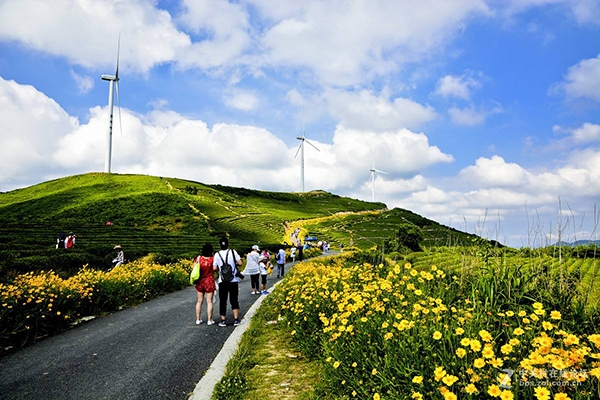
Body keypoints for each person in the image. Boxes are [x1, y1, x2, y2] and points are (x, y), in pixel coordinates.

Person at [213, 237, 243, 327]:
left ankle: (223, 320)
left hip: (222, 281)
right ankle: (236, 319)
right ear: (228, 244)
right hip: (233, 280)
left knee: (223, 300)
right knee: (234, 300)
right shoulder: (233, 252)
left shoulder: (217, 254)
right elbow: (240, 263)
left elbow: (214, 268)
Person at [193, 243, 217, 325]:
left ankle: (198, 319)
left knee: (199, 301)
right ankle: (209, 320)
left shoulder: (199, 258)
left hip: (200, 281)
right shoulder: (212, 259)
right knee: (209, 301)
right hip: (209, 280)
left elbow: (194, 268)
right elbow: (215, 269)